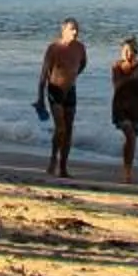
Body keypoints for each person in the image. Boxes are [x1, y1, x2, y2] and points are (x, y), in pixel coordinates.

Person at [36, 17, 89, 178]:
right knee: (61, 128)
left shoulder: (80, 48)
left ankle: (63, 167)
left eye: (77, 28)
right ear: (63, 30)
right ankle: (53, 159)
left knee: (69, 130)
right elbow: (44, 73)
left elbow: (82, 65)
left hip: (70, 90)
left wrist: (72, 76)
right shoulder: (54, 48)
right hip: (55, 89)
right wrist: (40, 98)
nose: (75, 32)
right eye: (72, 28)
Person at [110, 35, 138, 185]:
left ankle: (128, 168)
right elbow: (117, 86)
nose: (128, 54)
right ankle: (127, 172)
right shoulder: (116, 66)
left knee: (132, 139)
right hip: (121, 105)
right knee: (130, 135)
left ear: (136, 52)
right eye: (125, 51)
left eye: (131, 51)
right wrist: (131, 74)